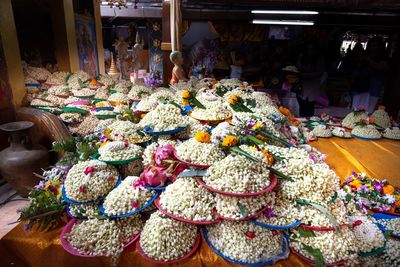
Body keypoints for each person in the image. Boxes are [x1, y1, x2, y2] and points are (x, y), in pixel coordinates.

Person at [351, 37, 388, 113]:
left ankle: (367, 119)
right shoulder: (365, 54)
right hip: (361, 83)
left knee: (370, 106)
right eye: (371, 45)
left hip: (375, 83)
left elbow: (381, 67)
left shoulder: (383, 57)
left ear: (379, 47)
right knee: (357, 105)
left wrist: (368, 60)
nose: (372, 47)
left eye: (375, 45)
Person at [296, 42, 326, 116]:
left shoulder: (319, 58)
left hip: (313, 85)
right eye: (308, 49)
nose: (310, 51)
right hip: (302, 84)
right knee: (302, 104)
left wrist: (307, 75)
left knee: (310, 105)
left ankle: (309, 121)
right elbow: (298, 67)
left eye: (312, 49)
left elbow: (320, 71)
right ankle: (302, 120)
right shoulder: (302, 57)